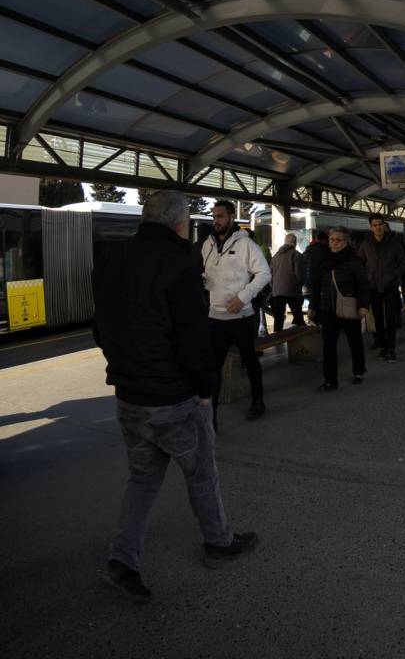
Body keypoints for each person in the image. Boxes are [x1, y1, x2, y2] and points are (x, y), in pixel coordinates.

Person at [93, 191, 258, 603]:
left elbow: (101, 327)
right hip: (173, 398)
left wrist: (125, 366)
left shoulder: (114, 259)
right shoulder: (180, 263)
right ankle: (219, 543)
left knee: (143, 478)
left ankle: (122, 560)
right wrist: (205, 391)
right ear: (181, 224)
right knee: (201, 471)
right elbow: (192, 338)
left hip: (129, 394)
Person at [201, 201, 271, 423]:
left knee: (249, 360)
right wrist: (205, 283)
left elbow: (264, 274)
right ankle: (211, 414)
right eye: (214, 217)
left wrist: (243, 298)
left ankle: (258, 401)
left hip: (241, 317)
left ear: (231, 217)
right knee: (213, 366)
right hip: (215, 318)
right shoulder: (207, 245)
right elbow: (208, 274)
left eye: (220, 216)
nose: (216, 221)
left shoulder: (246, 244)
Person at [308, 227, 370, 390]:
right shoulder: (324, 260)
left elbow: (363, 285)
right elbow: (316, 286)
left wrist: (363, 306)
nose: (334, 243)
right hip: (328, 309)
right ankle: (330, 380)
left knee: (354, 342)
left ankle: (358, 371)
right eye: (331, 240)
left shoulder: (354, 261)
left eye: (338, 240)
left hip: (349, 308)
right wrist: (313, 306)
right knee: (328, 345)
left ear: (345, 242)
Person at [356, 213, 405, 363]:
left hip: (390, 286)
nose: (378, 227)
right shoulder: (366, 244)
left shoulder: (394, 243)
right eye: (375, 225)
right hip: (373, 287)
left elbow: (403, 262)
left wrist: (395, 275)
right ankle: (383, 347)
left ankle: (391, 349)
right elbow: (359, 263)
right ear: (371, 227)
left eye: (380, 224)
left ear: (384, 225)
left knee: (390, 319)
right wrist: (365, 278)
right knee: (378, 319)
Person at [268, 233, 304, 334]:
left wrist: (274, 287)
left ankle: (277, 339)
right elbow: (299, 274)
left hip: (277, 292)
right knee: (298, 316)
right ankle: (303, 341)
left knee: (278, 319)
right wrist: (300, 284)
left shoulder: (275, 256)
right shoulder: (297, 255)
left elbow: (270, 274)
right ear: (295, 243)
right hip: (292, 291)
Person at [303, 230, 328, 302]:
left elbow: (304, 261)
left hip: (309, 277)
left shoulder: (309, 248)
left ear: (317, 239)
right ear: (325, 240)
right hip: (321, 278)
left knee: (312, 297)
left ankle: (312, 309)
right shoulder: (326, 249)